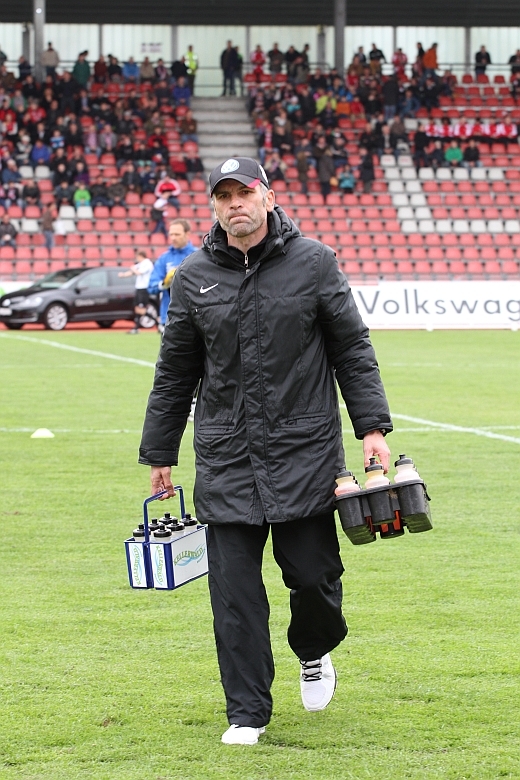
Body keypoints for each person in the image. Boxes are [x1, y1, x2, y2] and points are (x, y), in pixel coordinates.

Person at [138, 156, 392, 746]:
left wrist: (373, 428)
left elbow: (352, 349)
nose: (236, 205)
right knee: (235, 597)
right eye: (224, 196)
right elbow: (174, 372)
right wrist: (160, 452)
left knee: (314, 579)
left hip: (305, 453)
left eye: (244, 193)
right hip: (226, 457)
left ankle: (314, 650)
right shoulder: (194, 275)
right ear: (214, 206)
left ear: (268, 197)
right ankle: (247, 713)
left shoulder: (315, 262)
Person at [147, 218, 196, 330]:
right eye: (171, 234)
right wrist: (165, 283)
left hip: (194, 317)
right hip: (169, 317)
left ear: (187, 234)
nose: (173, 238)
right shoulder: (164, 258)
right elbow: (151, 286)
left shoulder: (198, 256)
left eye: (177, 234)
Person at [118, 249, 155, 334]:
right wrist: (123, 275)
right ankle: (136, 327)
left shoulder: (148, 264)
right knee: (137, 308)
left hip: (144, 288)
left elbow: (138, 272)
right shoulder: (141, 264)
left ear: (141, 256)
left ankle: (157, 323)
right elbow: (132, 272)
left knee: (141, 309)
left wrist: (133, 268)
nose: (137, 259)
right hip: (139, 288)